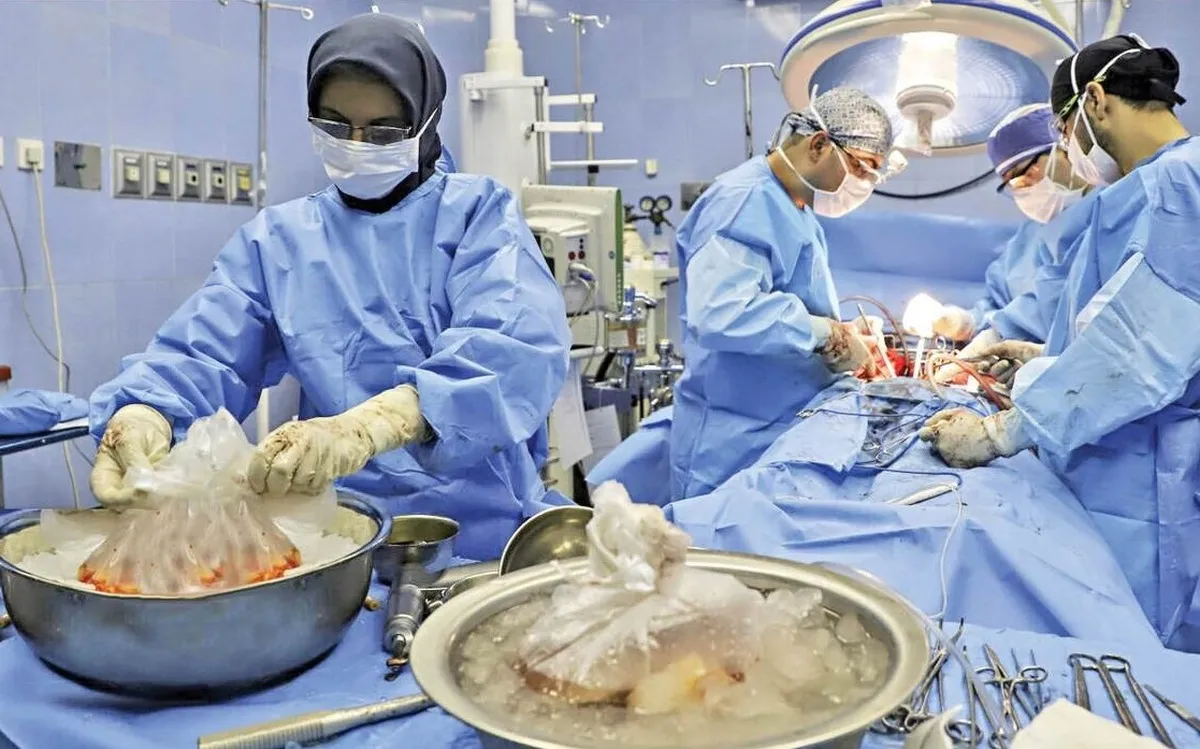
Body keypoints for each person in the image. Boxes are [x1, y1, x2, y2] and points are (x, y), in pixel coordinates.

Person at [87, 14, 571, 561]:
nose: (358, 144)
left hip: (479, 535)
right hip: (337, 536)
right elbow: (204, 350)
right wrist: (144, 412)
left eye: (383, 131)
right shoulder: (279, 242)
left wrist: (376, 425)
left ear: (426, 121)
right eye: (336, 126)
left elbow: (511, 347)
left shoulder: (477, 215)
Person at [921, 35, 1200, 651]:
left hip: (1148, 475)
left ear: (1095, 100)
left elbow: (1138, 354)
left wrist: (1001, 433)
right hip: (1126, 453)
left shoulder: (1181, 184)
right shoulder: (1147, 187)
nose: (1069, 145)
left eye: (1064, 128)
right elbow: (1131, 325)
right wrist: (1046, 360)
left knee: (1138, 657)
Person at [670, 87, 899, 501]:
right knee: (717, 539)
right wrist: (826, 335)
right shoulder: (744, 201)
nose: (865, 184)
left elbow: (789, 300)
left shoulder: (794, 205)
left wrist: (843, 332)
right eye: (862, 167)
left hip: (775, 426)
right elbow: (720, 313)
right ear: (819, 145)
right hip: (731, 441)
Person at [932, 104, 1088, 349]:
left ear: (1066, 148)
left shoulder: (1109, 215)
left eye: (1023, 173)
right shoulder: (1026, 240)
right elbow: (999, 303)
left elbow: (1066, 305)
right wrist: (967, 322)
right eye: (1012, 183)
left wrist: (1001, 332)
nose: (1022, 187)